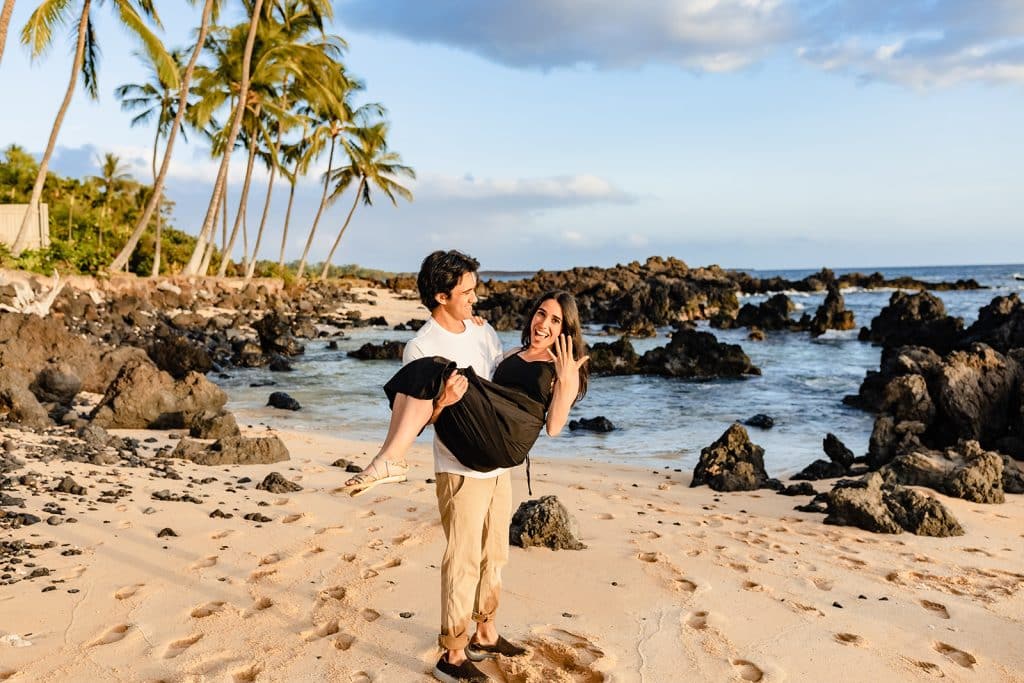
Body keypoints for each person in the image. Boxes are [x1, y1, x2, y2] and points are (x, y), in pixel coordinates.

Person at [343, 254, 588, 683]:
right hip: (459, 466)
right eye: (468, 292)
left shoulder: (484, 332)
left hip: (498, 464)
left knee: (495, 555)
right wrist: (442, 403)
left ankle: (485, 633)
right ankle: (453, 655)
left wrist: (565, 382)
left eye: (554, 319)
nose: (476, 298)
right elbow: (426, 419)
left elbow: (499, 392)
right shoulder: (420, 346)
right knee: (463, 560)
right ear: (442, 296)